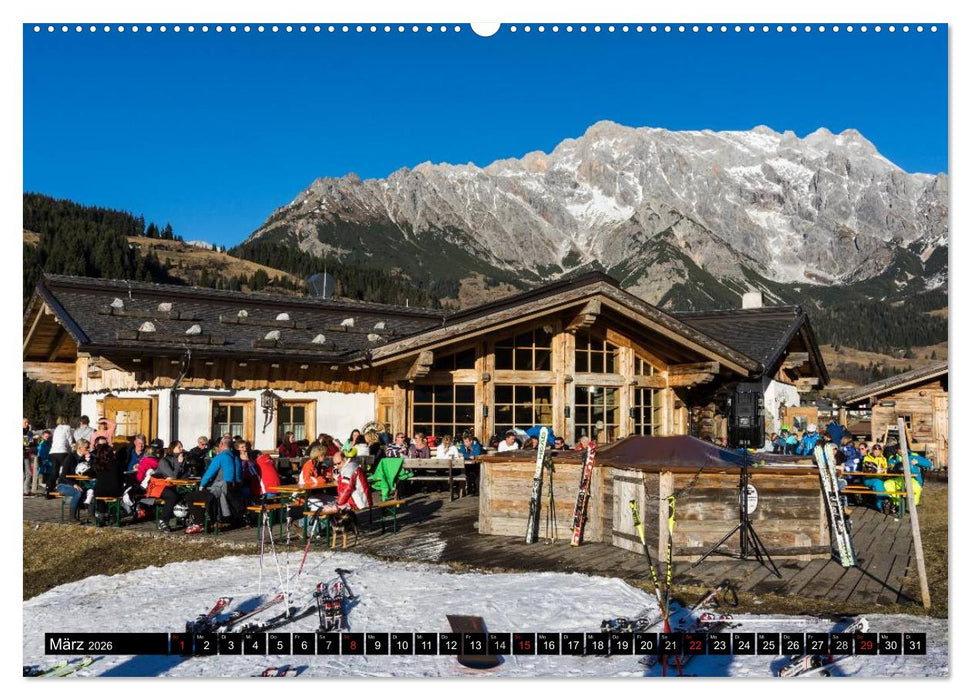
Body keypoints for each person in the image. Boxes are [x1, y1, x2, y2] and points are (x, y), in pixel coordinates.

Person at [186, 437, 243, 533]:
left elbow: (209, 473)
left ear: (221, 444)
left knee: (190, 496)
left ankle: (198, 523)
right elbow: (239, 476)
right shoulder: (236, 457)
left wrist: (201, 485)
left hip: (222, 489)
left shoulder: (220, 457)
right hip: (235, 490)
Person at [152, 441, 189, 532]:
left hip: (171, 485)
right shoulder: (164, 461)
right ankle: (163, 520)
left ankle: (185, 519)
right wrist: (179, 463)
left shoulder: (180, 459)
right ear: (172, 449)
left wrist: (184, 464)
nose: (181, 449)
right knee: (172, 496)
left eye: (181, 447)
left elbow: (184, 475)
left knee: (187, 494)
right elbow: (174, 476)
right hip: (159, 486)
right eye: (179, 447)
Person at [55, 438, 90, 522]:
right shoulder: (70, 458)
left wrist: (89, 460)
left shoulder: (84, 458)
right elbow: (63, 475)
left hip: (79, 482)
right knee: (77, 492)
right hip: (63, 484)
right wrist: (73, 484)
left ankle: (93, 514)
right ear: (79, 448)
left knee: (91, 490)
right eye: (86, 448)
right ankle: (72, 517)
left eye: (88, 447)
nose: (88, 449)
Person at [89, 442, 124, 524]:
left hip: (100, 491)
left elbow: (90, 473)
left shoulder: (97, 464)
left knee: (99, 493)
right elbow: (121, 477)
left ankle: (101, 513)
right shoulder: (116, 464)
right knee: (114, 494)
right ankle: (113, 515)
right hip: (114, 490)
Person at [47, 415, 74, 497]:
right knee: (66, 470)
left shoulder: (57, 429)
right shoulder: (67, 427)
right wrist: (72, 449)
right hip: (62, 451)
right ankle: (64, 487)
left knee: (54, 472)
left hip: (53, 452)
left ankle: (49, 490)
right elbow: (70, 440)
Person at [861, 444, 892, 514]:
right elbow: (866, 469)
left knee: (882, 484)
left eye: (878, 451)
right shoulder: (867, 458)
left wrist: (884, 470)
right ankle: (884, 499)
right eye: (875, 451)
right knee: (877, 483)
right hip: (869, 479)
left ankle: (882, 505)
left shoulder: (883, 459)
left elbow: (885, 469)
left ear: (880, 451)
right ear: (872, 450)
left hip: (880, 478)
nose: (876, 452)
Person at [34, 430, 53, 495]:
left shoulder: (50, 444)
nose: (47, 438)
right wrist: (44, 461)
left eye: (48, 437)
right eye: (46, 436)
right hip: (44, 463)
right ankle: (46, 489)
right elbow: (40, 454)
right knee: (45, 477)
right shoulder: (41, 444)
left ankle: (48, 488)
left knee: (50, 476)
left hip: (49, 463)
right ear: (43, 436)